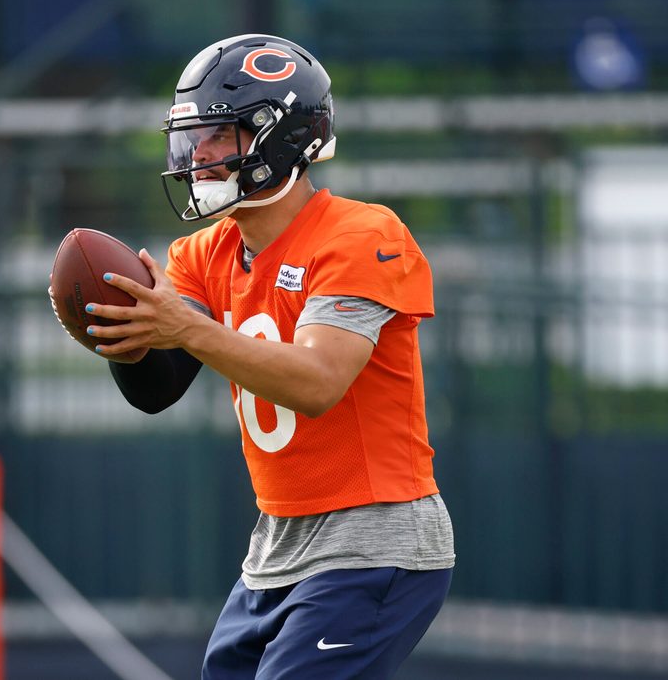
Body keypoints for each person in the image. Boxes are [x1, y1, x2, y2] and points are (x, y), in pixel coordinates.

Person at [71, 34, 454, 679]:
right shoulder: (203, 253)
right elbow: (156, 390)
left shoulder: (363, 234)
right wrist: (123, 330)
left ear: (283, 137)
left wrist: (186, 329)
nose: (201, 155)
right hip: (276, 543)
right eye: (194, 138)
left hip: (373, 537)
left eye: (222, 136)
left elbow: (318, 381)